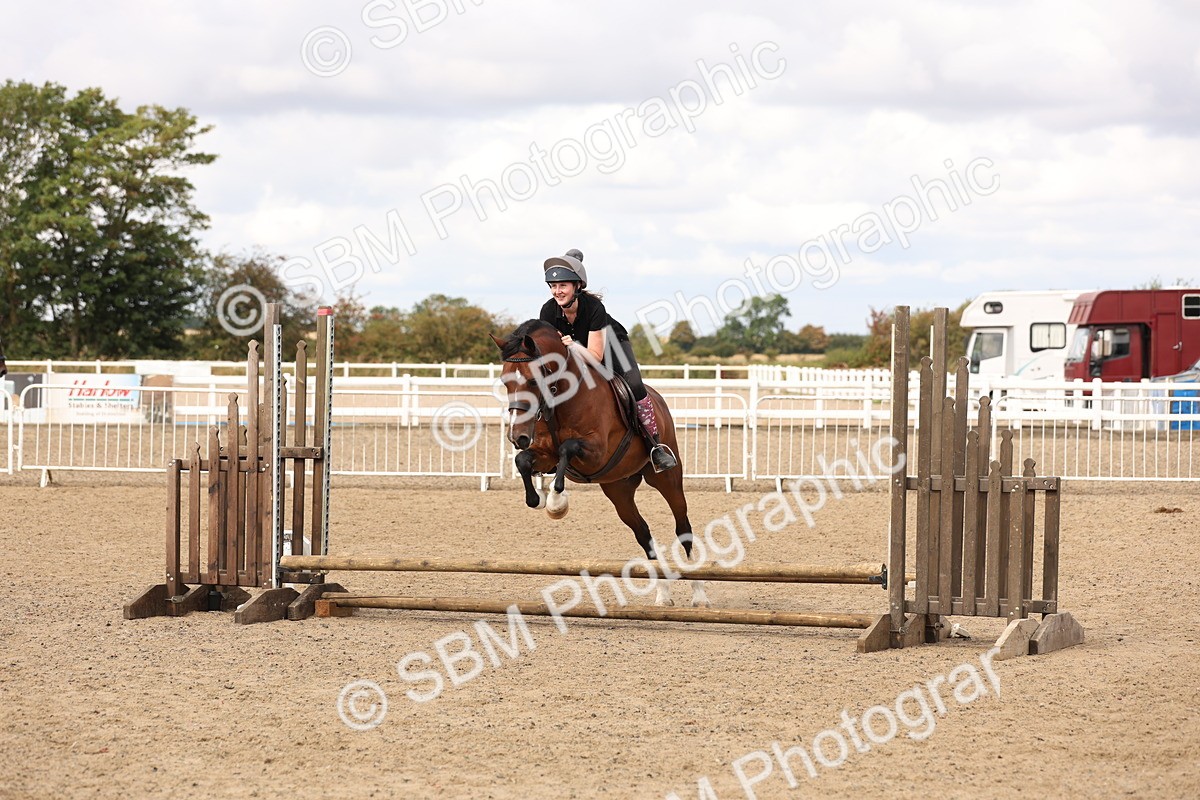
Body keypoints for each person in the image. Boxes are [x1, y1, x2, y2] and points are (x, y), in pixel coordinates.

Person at [539, 249, 677, 472]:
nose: (557, 291)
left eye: (563, 285)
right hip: (574, 353)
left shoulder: (594, 308)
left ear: (577, 286)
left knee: (634, 386)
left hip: (613, 347)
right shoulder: (547, 311)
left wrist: (573, 345)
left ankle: (655, 446)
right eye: (553, 286)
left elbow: (595, 357)